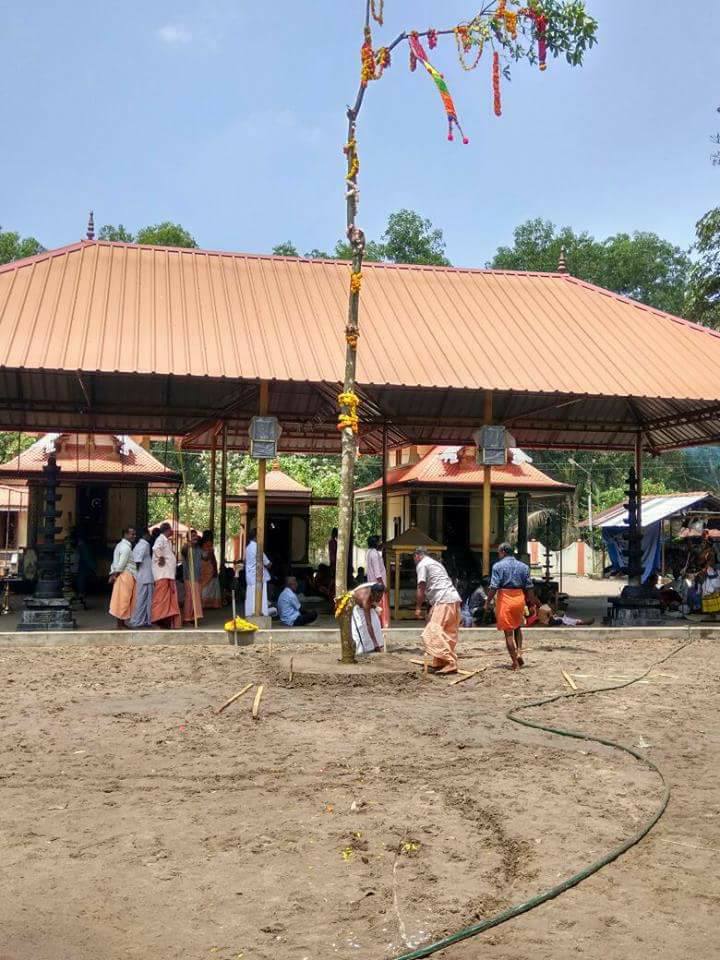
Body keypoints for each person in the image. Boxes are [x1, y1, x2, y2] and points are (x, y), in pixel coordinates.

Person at [486, 542, 536, 670]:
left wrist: (487, 601)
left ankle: (515, 662)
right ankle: (519, 651)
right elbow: (529, 587)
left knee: (508, 633)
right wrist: (531, 604)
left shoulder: (497, 566)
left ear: (503, 552)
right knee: (518, 627)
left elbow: (494, 586)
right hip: (519, 598)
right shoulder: (523, 566)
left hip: (505, 599)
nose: (498, 554)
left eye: (498, 552)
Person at [414, 548, 462, 675]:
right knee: (447, 632)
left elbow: (421, 586)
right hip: (452, 599)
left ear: (418, 556)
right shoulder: (436, 564)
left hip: (444, 600)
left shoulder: (422, 564)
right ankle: (442, 662)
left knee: (432, 632)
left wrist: (418, 607)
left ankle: (450, 661)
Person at [151, 522, 182, 628]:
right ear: (168, 530)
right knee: (161, 598)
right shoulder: (160, 539)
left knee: (168, 599)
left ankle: (165, 620)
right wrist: (161, 558)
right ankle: (158, 620)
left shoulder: (165, 540)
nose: (172, 531)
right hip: (162, 575)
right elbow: (155, 548)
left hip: (167, 574)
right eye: (171, 529)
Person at [108, 527, 137, 629]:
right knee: (124, 600)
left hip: (121, 575)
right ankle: (120, 624)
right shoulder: (126, 548)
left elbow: (115, 562)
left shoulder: (120, 545)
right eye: (132, 534)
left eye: (134, 534)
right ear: (125, 534)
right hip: (125, 575)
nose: (134, 536)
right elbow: (121, 564)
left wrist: (113, 574)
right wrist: (115, 574)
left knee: (121, 599)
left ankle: (121, 623)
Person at [129, 528, 154, 628]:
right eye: (149, 534)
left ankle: (144, 620)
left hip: (143, 576)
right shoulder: (145, 544)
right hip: (145, 576)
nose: (150, 536)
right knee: (143, 600)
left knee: (143, 599)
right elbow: (138, 560)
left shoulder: (138, 545)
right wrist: (139, 571)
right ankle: (138, 620)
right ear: (145, 534)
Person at [351, 581, 385, 655]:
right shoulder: (365, 600)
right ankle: (360, 651)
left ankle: (376, 646)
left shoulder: (374, 590)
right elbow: (368, 624)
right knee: (361, 629)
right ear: (372, 594)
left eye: (381, 596)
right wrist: (375, 644)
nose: (379, 598)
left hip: (366, 605)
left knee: (376, 624)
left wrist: (375, 606)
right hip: (354, 607)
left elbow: (372, 603)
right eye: (378, 597)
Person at [244, 528, 271, 616]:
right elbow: (267, 564)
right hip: (257, 577)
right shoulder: (257, 548)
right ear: (256, 536)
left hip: (250, 576)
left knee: (251, 597)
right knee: (260, 598)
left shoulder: (247, 548)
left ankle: (250, 613)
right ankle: (259, 612)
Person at [366, 535, 390, 628]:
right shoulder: (375, 554)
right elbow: (378, 573)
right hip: (377, 585)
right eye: (379, 542)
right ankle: (382, 624)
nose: (381, 543)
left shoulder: (368, 552)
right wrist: (383, 586)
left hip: (371, 583)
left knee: (374, 604)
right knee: (380, 605)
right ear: (376, 543)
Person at [181, 530, 204, 625]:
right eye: (193, 536)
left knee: (196, 597)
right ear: (188, 538)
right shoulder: (186, 547)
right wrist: (189, 543)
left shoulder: (198, 548)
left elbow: (205, 556)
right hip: (189, 577)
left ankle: (194, 617)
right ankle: (187, 618)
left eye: (196, 536)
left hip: (197, 577)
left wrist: (209, 552)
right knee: (190, 598)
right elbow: (183, 550)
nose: (195, 537)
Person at [199, 530, 222, 609]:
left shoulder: (201, 544)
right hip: (208, 565)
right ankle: (210, 603)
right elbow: (206, 556)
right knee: (208, 585)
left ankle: (205, 603)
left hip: (205, 565)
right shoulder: (208, 544)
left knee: (206, 584)